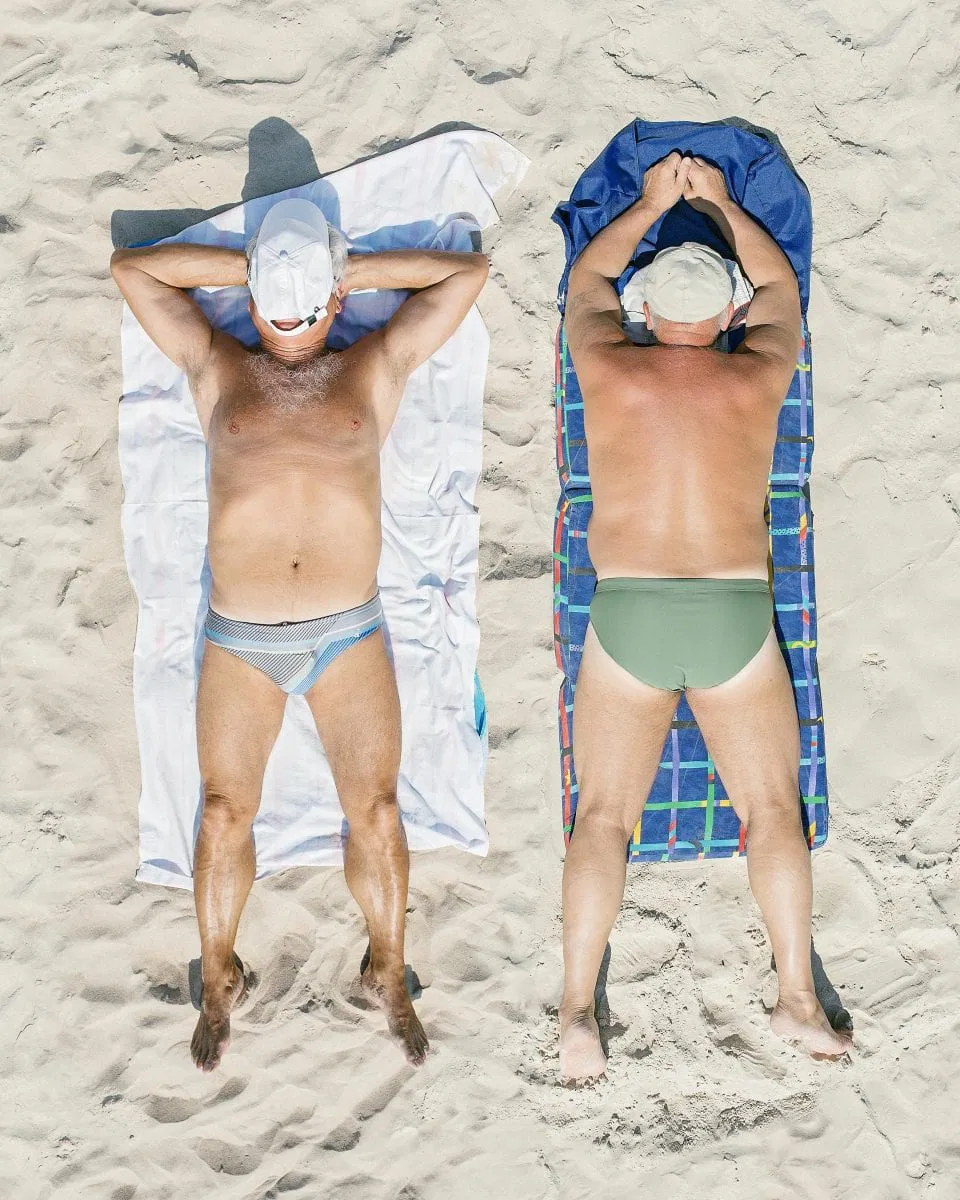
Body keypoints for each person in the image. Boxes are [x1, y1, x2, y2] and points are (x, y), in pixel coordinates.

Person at [111, 199, 489, 1071]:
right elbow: (134, 271)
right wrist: (263, 272)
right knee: (221, 813)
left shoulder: (372, 367)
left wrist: (338, 272)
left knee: (377, 810)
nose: (285, 332)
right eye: (272, 313)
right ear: (250, 302)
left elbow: (466, 275)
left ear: (332, 303)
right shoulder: (217, 365)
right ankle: (218, 972)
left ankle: (387, 965)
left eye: (303, 312)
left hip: (346, 631)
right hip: (241, 637)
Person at [558, 152, 852, 1083]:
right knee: (773, 811)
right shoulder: (758, 370)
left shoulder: (606, 363)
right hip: (731, 611)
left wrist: (650, 203)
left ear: (645, 311)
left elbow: (588, 277)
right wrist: (722, 203)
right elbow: (780, 284)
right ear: (728, 316)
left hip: (630, 609)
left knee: (603, 818)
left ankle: (577, 1016)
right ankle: (796, 997)